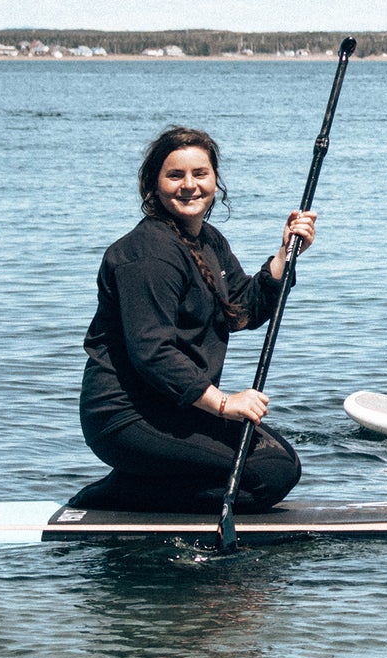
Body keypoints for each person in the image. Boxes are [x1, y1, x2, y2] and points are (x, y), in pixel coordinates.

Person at [70, 125, 317, 514]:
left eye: (200, 174)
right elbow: (153, 352)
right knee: (266, 476)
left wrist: (285, 255)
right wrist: (222, 403)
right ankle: (118, 494)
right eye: (175, 175)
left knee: (280, 461)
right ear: (153, 186)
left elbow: (243, 310)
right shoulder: (147, 254)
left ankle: (136, 483)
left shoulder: (209, 241)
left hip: (175, 408)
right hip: (125, 418)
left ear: (215, 181)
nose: (189, 185)